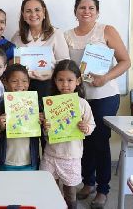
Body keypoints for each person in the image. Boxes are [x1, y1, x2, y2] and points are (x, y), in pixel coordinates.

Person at [65, 0, 131, 208]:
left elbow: (125, 61)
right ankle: (88, 183)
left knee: (100, 142)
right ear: (75, 12)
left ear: (97, 12)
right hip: (79, 98)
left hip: (105, 96)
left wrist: (105, 78)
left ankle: (103, 189)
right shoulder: (66, 35)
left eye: (91, 8)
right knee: (82, 140)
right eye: (82, 7)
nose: (86, 11)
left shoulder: (107, 30)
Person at [40, 60, 95, 209]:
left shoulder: (82, 104)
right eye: (61, 80)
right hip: (51, 154)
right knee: (48, 188)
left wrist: (86, 128)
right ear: (55, 81)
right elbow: (46, 133)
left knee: (70, 193)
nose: (65, 84)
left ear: (78, 81)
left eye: (70, 80)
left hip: (71, 156)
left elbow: (91, 125)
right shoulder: (51, 104)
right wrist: (46, 127)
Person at [11, 0, 70, 107]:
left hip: (49, 87)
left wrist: (50, 75)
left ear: (43, 12)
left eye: (37, 10)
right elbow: (15, 65)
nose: (33, 14)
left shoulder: (56, 34)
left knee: (46, 123)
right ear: (23, 15)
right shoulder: (17, 37)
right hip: (23, 89)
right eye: (28, 11)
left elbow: (64, 65)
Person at [0, 63, 39, 171]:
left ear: (29, 82)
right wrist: (0, 126)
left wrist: (41, 121)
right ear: (5, 82)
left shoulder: (36, 105)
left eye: (24, 81)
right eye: (14, 81)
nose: (20, 85)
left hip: (29, 160)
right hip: (6, 161)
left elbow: (44, 132)